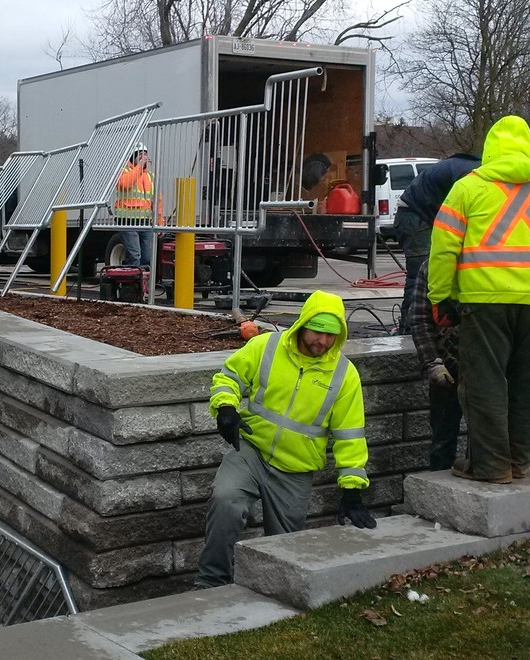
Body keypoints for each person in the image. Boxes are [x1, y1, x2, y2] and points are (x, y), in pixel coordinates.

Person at [428, 115, 530, 483]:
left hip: (483, 303)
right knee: (529, 384)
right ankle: (518, 461)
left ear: (490, 148)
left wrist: (441, 296)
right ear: (528, 147)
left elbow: (442, 249)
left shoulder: (468, 188)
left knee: (485, 384)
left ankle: (492, 466)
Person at [195, 290, 376, 588]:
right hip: (251, 451)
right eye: (318, 332)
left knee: (285, 548)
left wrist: (352, 489)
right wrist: (225, 407)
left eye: (331, 336)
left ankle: (274, 593)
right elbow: (228, 377)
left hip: (296, 470)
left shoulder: (345, 375)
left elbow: (350, 435)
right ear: (303, 324)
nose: (323, 342)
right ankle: (210, 582)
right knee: (226, 500)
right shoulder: (266, 346)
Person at [393, 152, 481, 335]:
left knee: (426, 275)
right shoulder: (472, 173)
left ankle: (417, 327)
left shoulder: (470, 167)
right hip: (414, 217)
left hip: (417, 215)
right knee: (420, 277)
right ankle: (409, 330)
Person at [409, 260, 462, 471]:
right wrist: (432, 362)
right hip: (447, 367)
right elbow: (420, 319)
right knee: (442, 438)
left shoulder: (486, 265)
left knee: (484, 437)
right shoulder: (432, 266)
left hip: (483, 365)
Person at [114, 143, 159, 267]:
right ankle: (131, 284)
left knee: (148, 257)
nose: (144, 157)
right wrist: (139, 166)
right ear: (132, 157)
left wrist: (160, 222)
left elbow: (156, 200)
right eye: (140, 155)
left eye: (145, 154)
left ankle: (144, 284)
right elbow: (125, 184)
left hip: (145, 222)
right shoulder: (124, 171)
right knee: (134, 255)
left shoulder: (149, 176)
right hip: (127, 221)